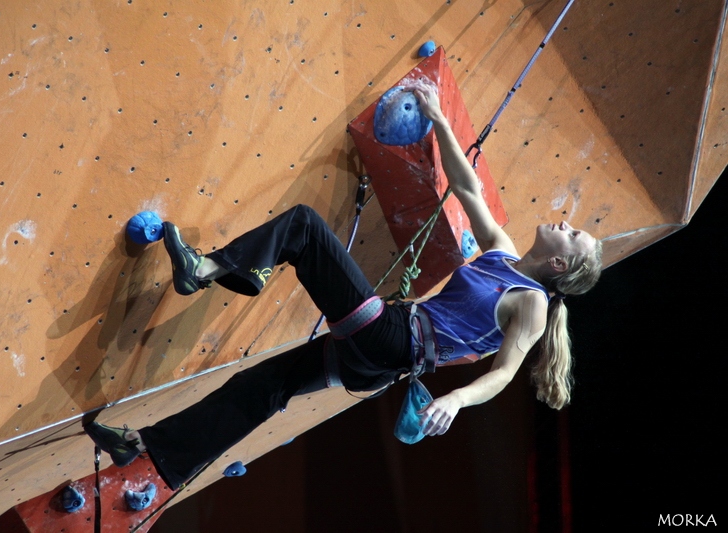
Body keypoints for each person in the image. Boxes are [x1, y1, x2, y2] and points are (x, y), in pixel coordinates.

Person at [84, 86, 602, 490]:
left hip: (395, 339)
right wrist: (440, 120)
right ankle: (148, 449)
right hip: (377, 359)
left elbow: (506, 372)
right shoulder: (503, 254)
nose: (565, 222)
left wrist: (458, 401)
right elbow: (467, 188)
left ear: (559, 263)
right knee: (265, 386)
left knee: (305, 227)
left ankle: (207, 270)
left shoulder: (533, 302)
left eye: (573, 236)